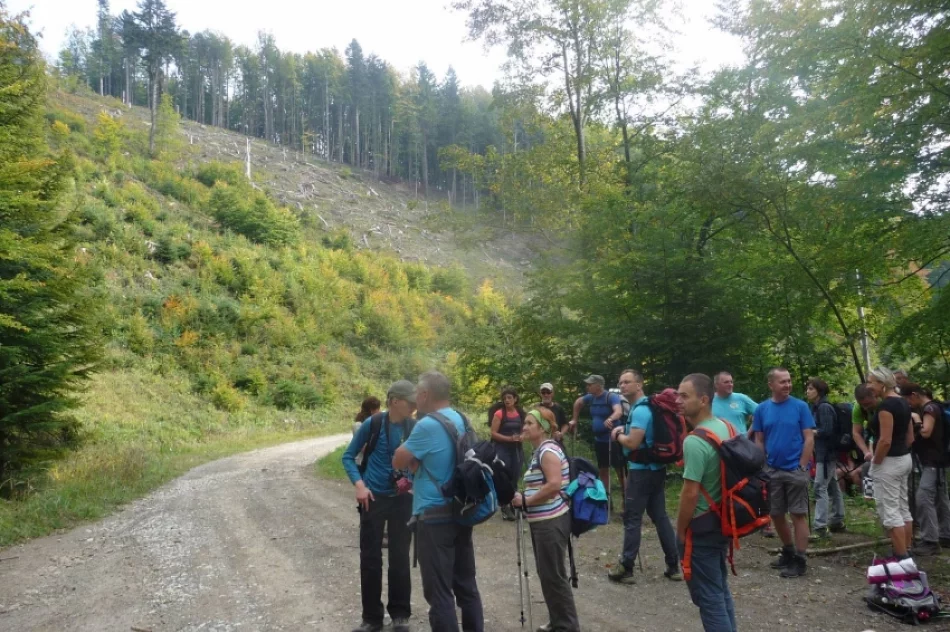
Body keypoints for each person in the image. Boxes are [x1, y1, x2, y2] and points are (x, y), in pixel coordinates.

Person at [393, 371, 484, 632]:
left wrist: (413, 459)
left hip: (433, 516)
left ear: (424, 395)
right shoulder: (462, 419)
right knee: (466, 586)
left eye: (417, 395)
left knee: (440, 592)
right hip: (461, 509)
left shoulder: (426, 425)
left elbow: (398, 460)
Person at [342, 382, 416, 632]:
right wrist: (359, 485)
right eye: (410, 401)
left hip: (403, 499)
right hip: (372, 498)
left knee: (400, 558)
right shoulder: (371, 425)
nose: (414, 406)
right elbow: (348, 456)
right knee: (371, 558)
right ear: (395, 401)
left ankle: (400, 615)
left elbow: (421, 461)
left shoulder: (414, 427)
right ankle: (372, 618)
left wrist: (415, 484)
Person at [675, 373, 738, 632]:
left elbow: (690, 494)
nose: (678, 400)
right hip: (725, 518)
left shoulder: (695, 441)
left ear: (703, 400)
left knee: (709, 597)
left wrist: (680, 530)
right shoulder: (726, 427)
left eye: (684, 396)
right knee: (719, 589)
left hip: (702, 525)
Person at [511, 408, 580, 632]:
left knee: (555, 575)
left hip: (551, 520)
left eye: (530, 423)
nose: (525, 427)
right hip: (543, 520)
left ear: (542, 427)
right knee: (548, 574)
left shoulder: (548, 450)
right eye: (525, 423)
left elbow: (553, 485)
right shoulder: (540, 450)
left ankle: (567, 626)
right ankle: (558, 621)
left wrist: (525, 501)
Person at [609, 369, 680, 584]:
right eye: (620, 382)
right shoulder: (650, 406)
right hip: (657, 469)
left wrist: (618, 434)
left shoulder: (640, 410)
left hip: (641, 472)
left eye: (627, 382)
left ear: (639, 384)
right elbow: (641, 434)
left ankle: (627, 567)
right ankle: (674, 566)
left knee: (632, 518)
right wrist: (626, 428)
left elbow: (632, 443)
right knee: (660, 517)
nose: (623, 386)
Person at [753, 367, 815, 578]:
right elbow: (759, 440)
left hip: (795, 469)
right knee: (776, 513)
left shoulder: (800, 406)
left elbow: (809, 437)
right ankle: (788, 551)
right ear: (771, 384)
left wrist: (803, 465)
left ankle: (800, 558)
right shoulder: (762, 409)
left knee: (798, 514)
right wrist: (760, 467)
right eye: (783, 382)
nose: (788, 385)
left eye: (789, 381)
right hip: (772, 470)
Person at [867, 367, 915, 560]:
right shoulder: (904, 402)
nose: (869, 386)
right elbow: (910, 436)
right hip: (905, 459)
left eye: (871, 382)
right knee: (903, 507)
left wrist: (876, 462)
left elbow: (885, 440)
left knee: (890, 510)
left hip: (889, 462)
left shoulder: (886, 407)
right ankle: (906, 548)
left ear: (882, 383)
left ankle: (901, 558)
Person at [903, 383, 950, 555]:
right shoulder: (936, 406)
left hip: (933, 461)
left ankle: (930, 540)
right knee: (940, 498)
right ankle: (946, 534)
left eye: (908, 399)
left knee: (923, 497)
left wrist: (916, 420)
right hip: (939, 460)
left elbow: (926, 432)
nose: (908, 403)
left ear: (914, 395)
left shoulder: (929, 408)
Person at [570, 374, 625, 500]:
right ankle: (605, 499)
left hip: (614, 440)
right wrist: (574, 420)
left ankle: (626, 501)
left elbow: (618, 411)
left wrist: (611, 418)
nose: (587, 387)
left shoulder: (610, 397)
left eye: (590, 384)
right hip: (599, 440)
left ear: (598, 385)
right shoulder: (591, 397)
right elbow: (578, 402)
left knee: (620, 471)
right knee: (603, 470)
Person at [490, 386, 525, 520]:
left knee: (515, 475)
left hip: (516, 448)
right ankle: (504, 505)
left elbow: (525, 429)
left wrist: (522, 436)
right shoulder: (499, 413)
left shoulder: (521, 413)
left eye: (509, 398)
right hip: (501, 448)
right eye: (504, 398)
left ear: (515, 399)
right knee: (504, 476)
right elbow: (493, 433)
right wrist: (509, 438)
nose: (507, 400)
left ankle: (513, 504)